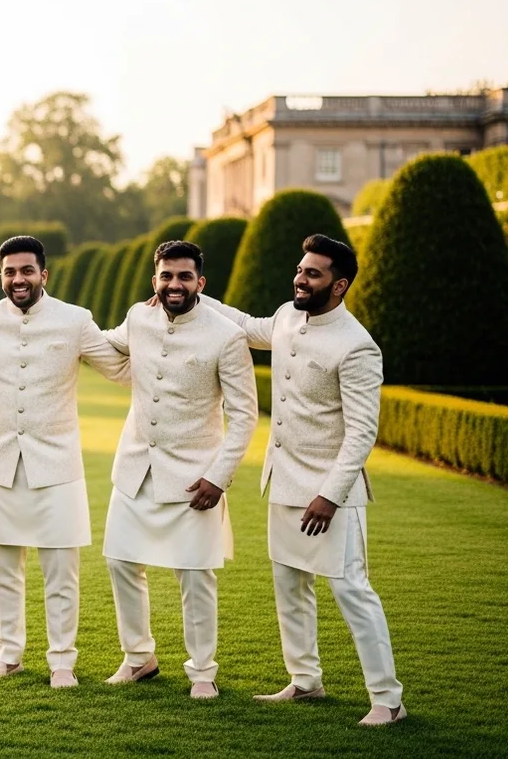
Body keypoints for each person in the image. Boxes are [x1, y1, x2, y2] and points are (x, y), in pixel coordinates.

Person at [202, 233, 405, 726]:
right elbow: (246, 325)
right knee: (289, 585)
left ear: (339, 285)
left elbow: (362, 433)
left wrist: (329, 496)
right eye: (300, 269)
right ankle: (305, 680)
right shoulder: (287, 317)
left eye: (312, 273)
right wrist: (191, 295)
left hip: (331, 495)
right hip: (284, 482)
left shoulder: (357, 346)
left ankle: (388, 700)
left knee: (352, 591)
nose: (299, 278)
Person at [0, 236, 130, 688]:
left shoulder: (75, 320)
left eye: (26, 271)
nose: (18, 279)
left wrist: (156, 332)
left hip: (57, 466)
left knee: (61, 573)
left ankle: (62, 662)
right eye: (10, 272)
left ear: (43, 275)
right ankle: (8, 656)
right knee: (3, 573)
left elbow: (120, 370)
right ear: (2, 275)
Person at [98, 240, 257, 699]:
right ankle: (138, 658)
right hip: (135, 468)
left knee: (195, 575)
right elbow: (102, 344)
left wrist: (218, 477)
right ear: (155, 280)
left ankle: (203, 671)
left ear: (200, 282)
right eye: (166, 276)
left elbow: (245, 416)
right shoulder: (138, 317)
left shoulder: (226, 335)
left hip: (195, 478)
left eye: (184, 277)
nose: (174, 285)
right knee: (120, 562)